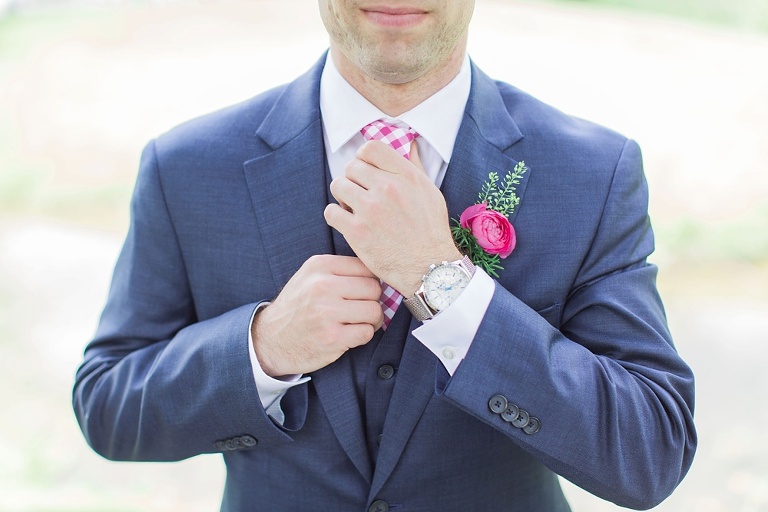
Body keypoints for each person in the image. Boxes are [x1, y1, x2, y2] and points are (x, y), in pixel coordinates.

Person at [73, 1, 697, 510]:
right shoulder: (185, 167)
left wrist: (444, 283)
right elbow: (108, 406)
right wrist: (264, 349)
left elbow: (650, 452)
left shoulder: (593, 173)